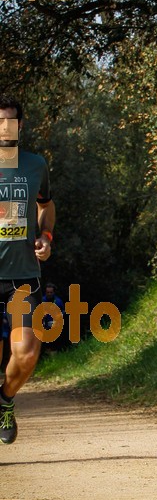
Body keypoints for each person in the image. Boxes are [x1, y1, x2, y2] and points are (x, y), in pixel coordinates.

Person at [0, 94, 55, 444]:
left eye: (10, 121)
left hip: (23, 275)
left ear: (20, 125)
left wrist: (46, 236)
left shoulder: (35, 164)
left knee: (27, 352)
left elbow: (46, 206)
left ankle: (5, 401)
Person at [41, 282, 66, 353]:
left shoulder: (58, 301)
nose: (49, 294)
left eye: (51, 292)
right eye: (47, 292)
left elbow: (63, 311)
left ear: (54, 292)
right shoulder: (42, 301)